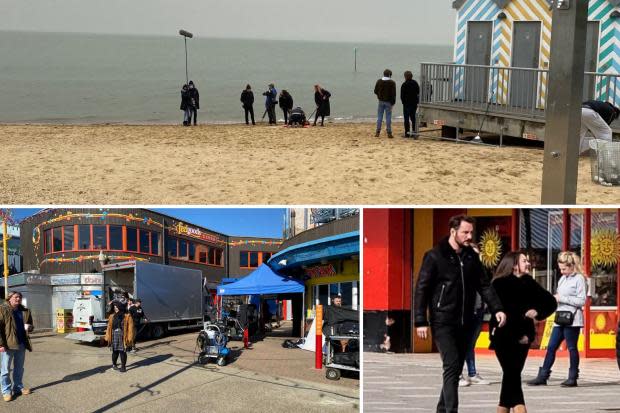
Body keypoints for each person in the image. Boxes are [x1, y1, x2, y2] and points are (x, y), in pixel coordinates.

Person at [414, 214, 506, 413]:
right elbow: (422, 288)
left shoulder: (471, 256)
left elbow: (484, 285)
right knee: (452, 366)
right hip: (443, 321)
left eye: (471, 232)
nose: (469, 236)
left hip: (467, 321)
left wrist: (497, 308)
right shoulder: (434, 256)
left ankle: (442, 409)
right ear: (453, 231)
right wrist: (420, 320)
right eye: (465, 232)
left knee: (454, 368)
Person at [490, 252, 557, 413]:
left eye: (528, 260)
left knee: (511, 376)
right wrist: (517, 334)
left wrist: (538, 312)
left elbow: (550, 302)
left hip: (525, 338)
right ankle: (521, 409)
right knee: (512, 374)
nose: (528, 263)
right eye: (524, 261)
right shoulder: (499, 284)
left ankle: (503, 409)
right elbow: (499, 311)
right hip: (504, 337)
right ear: (514, 265)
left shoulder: (529, 282)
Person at [528, 251, 587, 387]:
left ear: (572, 266)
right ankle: (543, 375)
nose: (562, 271)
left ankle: (572, 377)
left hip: (572, 319)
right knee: (551, 346)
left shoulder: (579, 279)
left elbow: (582, 300)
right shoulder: (562, 279)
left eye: (564, 269)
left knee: (572, 347)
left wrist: (562, 298)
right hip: (560, 317)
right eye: (560, 269)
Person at [0, 292, 34, 402]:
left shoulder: (25, 311)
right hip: (8, 345)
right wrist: (1, 344)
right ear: (9, 298)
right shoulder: (3, 309)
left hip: (21, 344)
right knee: (5, 370)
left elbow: (31, 326)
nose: (18, 299)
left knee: (19, 368)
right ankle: (6, 391)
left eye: (20, 297)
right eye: (15, 297)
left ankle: (18, 387)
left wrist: (29, 327)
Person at [105, 301, 135, 373]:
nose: (116, 309)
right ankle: (114, 365)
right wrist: (107, 336)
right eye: (115, 307)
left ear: (120, 307)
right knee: (115, 351)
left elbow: (130, 328)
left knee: (122, 351)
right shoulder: (112, 316)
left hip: (123, 335)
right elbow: (109, 327)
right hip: (114, 335)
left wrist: (130, 338)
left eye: (117, 307)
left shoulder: (127, 316)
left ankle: (123, 367)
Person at [374, 69, 396, 138]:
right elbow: (393, 94)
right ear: (389, 75)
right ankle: (389, 132)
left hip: (381, 101)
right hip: (389, 102)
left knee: (379, 117)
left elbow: (375, 91)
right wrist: (393, 103)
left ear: (384, 74)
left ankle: (378, 131)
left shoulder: (379, 81)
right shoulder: (392, 82)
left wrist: (379, 96)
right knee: (388, 117)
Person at [400, 71, 420, 138]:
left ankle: (407, 133)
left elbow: (402, 95)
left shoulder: (404, 84)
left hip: (406, 104)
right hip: (414, 103)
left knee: (406, 119)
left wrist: (403, 102)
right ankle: (414, 132)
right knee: (413, 118)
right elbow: (418, 92)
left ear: (405, 76)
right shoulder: (415, 83)